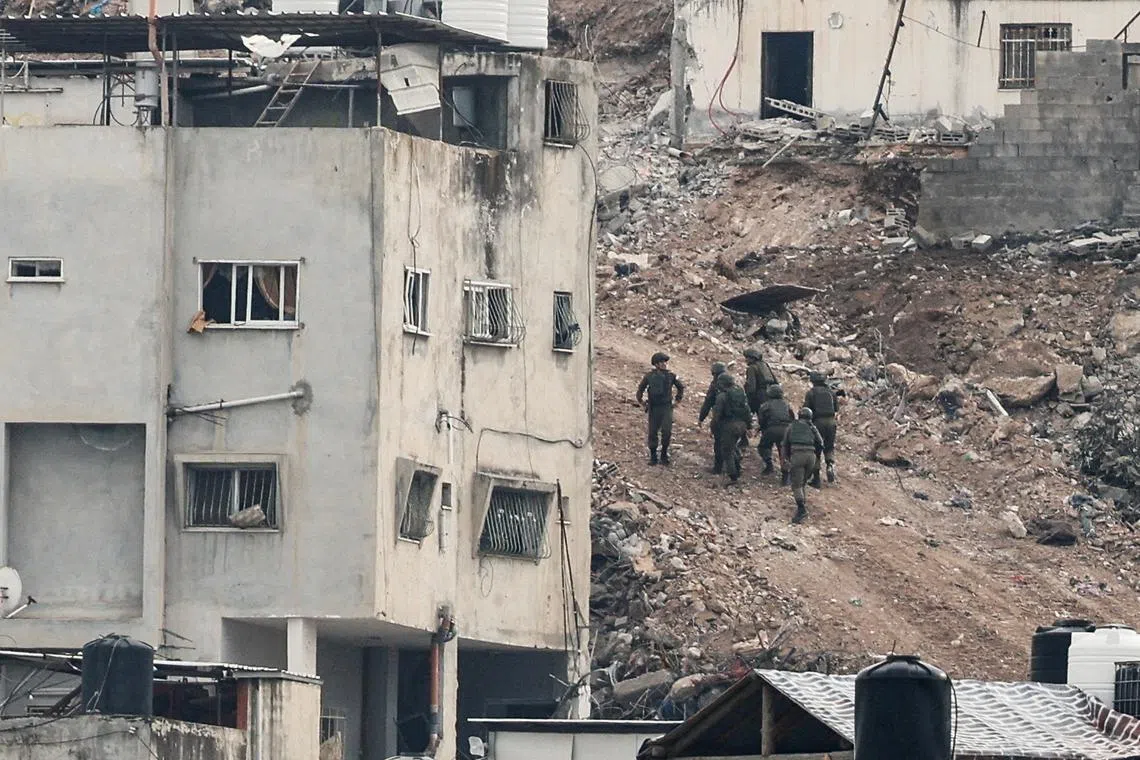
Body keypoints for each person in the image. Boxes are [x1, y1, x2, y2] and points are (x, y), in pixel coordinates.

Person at [636, 352, 685, 466]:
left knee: (666, 432)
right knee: (653, 432)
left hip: (666, 407)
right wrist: (642, 402)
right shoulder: (649, 376)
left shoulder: (671, 376)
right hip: (654, 407)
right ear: (656, 364)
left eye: (665, 362)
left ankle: (664, 454)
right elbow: (640, 389)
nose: (664, 364)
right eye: (661, 362)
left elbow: (680, 387)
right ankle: (653, 456)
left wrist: (677, 401)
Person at [781, 407, 825, 524]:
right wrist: (816, 456)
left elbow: (785, 444)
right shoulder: (812, 427)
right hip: (811, 457)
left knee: (796, 485)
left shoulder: (792, 427)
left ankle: (801, 509)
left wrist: (785, 459)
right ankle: (802, 502)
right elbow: (820, 443)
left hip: (797, 456)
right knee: (803, 482)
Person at [710, 373, 752, 483]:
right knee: (732, 447)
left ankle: (733, 477)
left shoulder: (722, 396)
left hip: (729, 426)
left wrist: (713, 427)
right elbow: (747, 410)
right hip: (742, 425)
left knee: (727, 451)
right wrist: (749, 426)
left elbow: (717, 415)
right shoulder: (740, 393)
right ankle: (737, 468)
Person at [804, 371, 840, 483]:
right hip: (831, 422)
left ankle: (816, 478)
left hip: (818, 422)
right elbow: (836, 409)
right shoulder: (831, 393)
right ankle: (830, 465)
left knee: (816, 448)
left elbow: (807, 410)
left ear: (813, 381)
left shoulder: (811, 393)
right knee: (829, 446)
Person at [756, 383, 794, 483]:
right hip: (786, 430)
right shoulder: (787, 405)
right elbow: (792, 419)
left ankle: (769, 465)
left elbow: (761, 420)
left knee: (763, 447)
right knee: (784, 451)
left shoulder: (765, 405)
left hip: (772, 429)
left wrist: (763, 429)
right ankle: (786, 475)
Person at [698, 361, 728, 473]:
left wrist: (701, 418)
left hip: (721, 419)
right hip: (736, 420)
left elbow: (708, 403)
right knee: (731, 443)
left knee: (719, 443)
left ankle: (718, 468)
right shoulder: (733, 383)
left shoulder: (715, 385)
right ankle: (735, 467)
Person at [743, 347, 778, 418]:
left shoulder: (752, 368)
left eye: (747, 357)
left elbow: (751, 387)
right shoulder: (765, 365)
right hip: (770, 395)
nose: (745, 360)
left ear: (752, 358)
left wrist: (749, 399)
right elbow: (775, 381)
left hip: (759, 396)